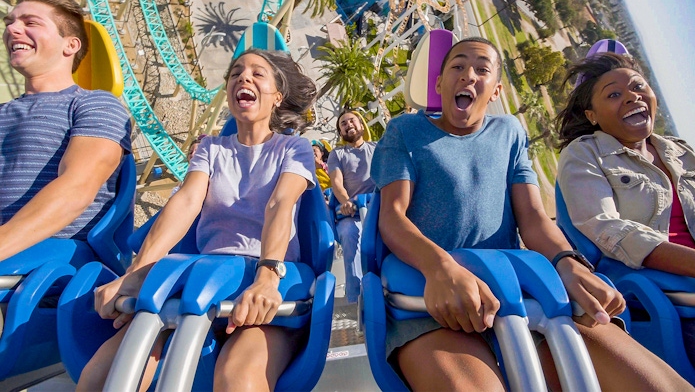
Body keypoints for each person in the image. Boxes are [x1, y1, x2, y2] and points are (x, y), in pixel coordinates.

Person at [371, 37, 690, 391]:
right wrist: (441, 269)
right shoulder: (404, 131)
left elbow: (534, 219)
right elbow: (393, 218)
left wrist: (568, 262)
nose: (468, 76)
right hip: (429, 297)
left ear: (495, 91)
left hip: (518, 292)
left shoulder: (510, 133)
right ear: (438, 83)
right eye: (457, 67)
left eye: (482, 70)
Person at [77, 49, 317, 391]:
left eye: (257, 73)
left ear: (278, 96)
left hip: (264, 273)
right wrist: (137, 274)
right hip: (205, 274)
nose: (243, 78)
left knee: (238, 379)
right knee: (103, 376)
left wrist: (266, 277)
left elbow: (280, 204)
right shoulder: (211, 148)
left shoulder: (294, 149)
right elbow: (187, 201)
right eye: (235, 73)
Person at [556, 50, 695, 365]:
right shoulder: (585, 154)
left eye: (638, 86)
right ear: (592, 115)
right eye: (614, 94)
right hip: (665, 298)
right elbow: (608, 228)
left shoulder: (681, 151)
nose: (633, 97)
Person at [0, 0, 131, 263]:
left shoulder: (94, 105)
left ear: (70, 45)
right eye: (9, 22)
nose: (12, 29)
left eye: (30, 22)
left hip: (50, 267)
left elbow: (76, 188)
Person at [327, 110, 376, 303]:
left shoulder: (377, 149)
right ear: (341, 132)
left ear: (361, 125)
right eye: (343, 124)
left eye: (351, 121)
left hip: (377, 210)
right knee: (349, 233)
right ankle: (355, 297)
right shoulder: (338, 154)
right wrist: (346, 201)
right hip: (353, 213)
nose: (348, 125)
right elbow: (337, 183)